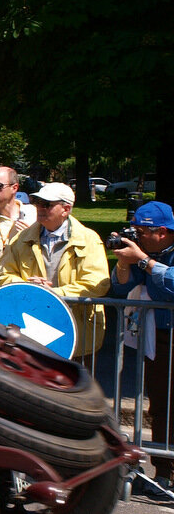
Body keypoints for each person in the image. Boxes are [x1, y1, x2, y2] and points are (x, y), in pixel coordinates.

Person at [0, 183, 109, 357]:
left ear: (66, 209)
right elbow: (3, 276)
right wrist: (30, 288)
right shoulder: (21, 239)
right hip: (31, 330)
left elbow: (97, 283)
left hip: (76, 331)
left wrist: (55, 294)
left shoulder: (89, 239)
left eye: (47, 204)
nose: (40, 208)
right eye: (38, 202)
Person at [109, 201, 174, 497]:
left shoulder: (156, 255)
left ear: (162, 232)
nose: (136, 235)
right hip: (157, 338)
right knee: (160, 406)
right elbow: (121, 288)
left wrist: (145, 261)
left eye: (141, 230)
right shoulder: (143, 251)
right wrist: (125, 262)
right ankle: (163, 472)